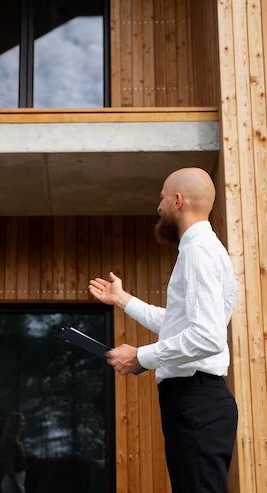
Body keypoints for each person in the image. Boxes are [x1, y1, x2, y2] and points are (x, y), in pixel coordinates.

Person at [88, 167, 238, 493]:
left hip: (195, 400)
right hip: (195, 400)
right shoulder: (204, 251)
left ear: (177, 200)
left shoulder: (198, 252)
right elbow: (178, 324)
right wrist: (122, 299)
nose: (158, 207)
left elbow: (208, 337)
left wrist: (141, 356)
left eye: (161, 199)